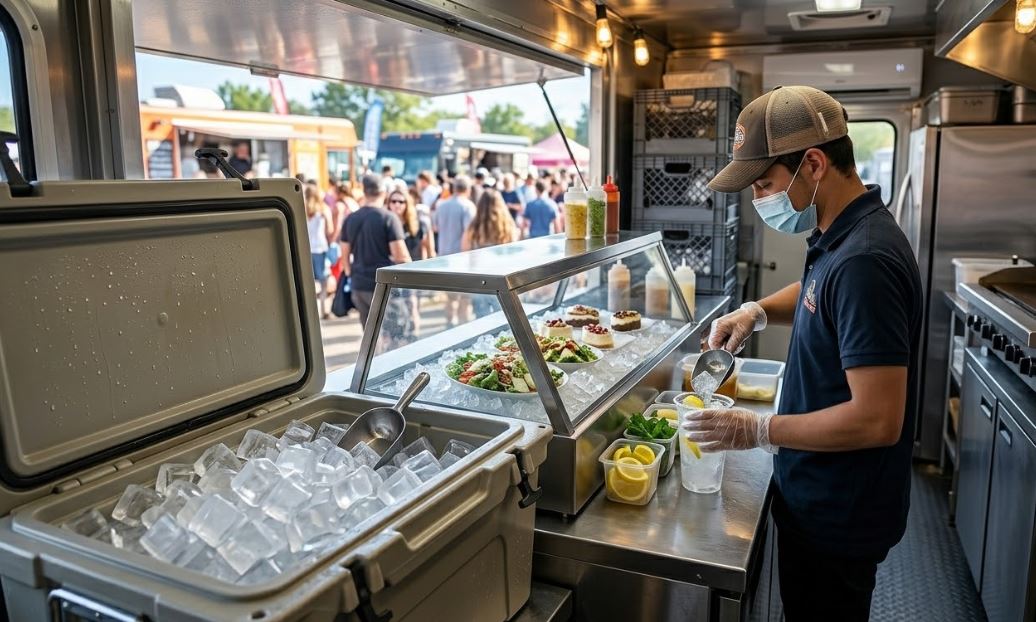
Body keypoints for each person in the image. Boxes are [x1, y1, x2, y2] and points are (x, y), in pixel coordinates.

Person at [685, 86, 923, 621]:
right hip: (817, 493)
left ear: (813, 164)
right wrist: (758, 310)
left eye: (765, 184)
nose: (759, 199)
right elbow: (820, 295)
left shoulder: (866, 261)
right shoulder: (841, 235)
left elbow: (878, 419)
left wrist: (761, 431)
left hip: (839, 511)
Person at [341, 174, 413, 326]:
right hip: (383, 285)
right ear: (384, 193)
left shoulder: (350, 219)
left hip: (359, 284)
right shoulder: (388, 218)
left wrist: (350, 274)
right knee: (390, 334)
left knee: (369, 334)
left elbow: (345, 255)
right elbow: (401, 256)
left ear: (364, 191)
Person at [461, 189, 519, 318]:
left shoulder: (473, 226)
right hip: (503, 279)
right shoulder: (507, 226)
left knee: (482, 320)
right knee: (504, 319)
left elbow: (465, 252)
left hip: (480, 280)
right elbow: (514, 252)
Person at [433, 175, 476, 326]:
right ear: (468, 189)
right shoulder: (468, 206)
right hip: (462, 256)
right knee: (464, 296)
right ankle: (463, 326)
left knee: (450, 295)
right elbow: (469, 232)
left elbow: (435, 227)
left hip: (444, 255)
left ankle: (450, 323)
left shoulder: (442, 205)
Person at [306, 185, 334, 319]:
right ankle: (324, 309)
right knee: (324, 280)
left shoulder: (301, 209)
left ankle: (313, 311)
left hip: (306, 248)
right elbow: (330, 230)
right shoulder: (323, 209)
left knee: (310, 281)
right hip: (320, 248)